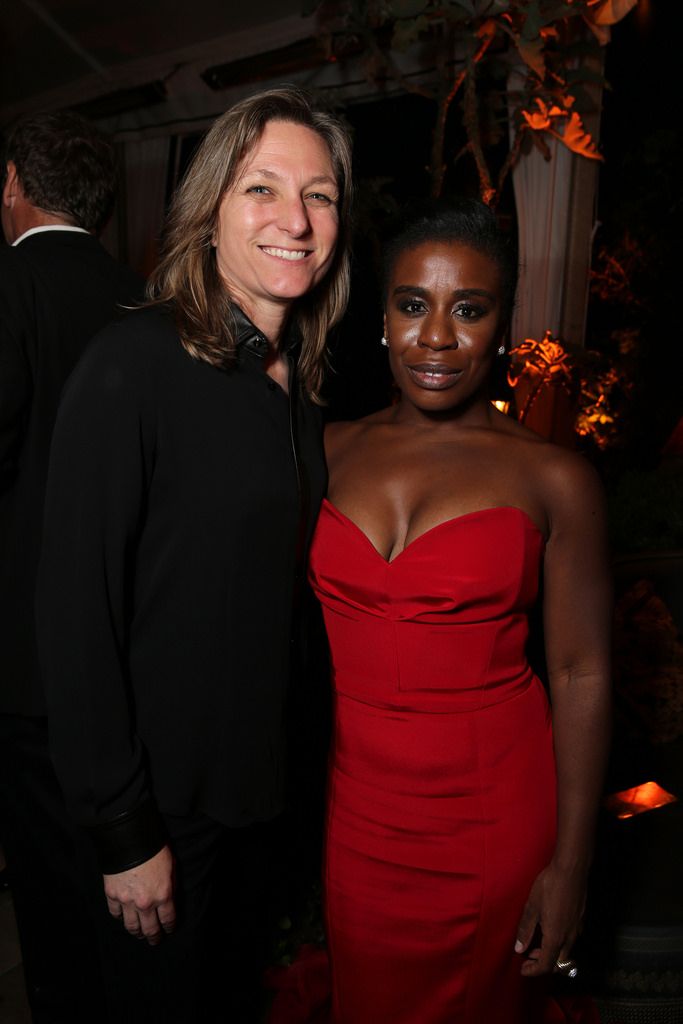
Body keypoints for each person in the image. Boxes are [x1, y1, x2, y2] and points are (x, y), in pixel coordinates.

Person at [36, 87, 352, 1023]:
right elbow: (73, 611)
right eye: (262, 188)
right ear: (209, 209)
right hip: (164, 813)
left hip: (265, 798)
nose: (294, 219)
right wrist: (124, 830)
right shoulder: (132, 363)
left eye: (322, 195)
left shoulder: (305, 391)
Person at [308, 199, 611, 1023]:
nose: (435, 338)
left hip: (492, 817)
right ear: (380, 319)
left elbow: (581, 671)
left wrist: (572, 864)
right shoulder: (323, 449)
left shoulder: (554, 478)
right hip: (356, 815)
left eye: (467, 310)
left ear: (500, 327)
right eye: (412, 305)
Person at [0, 110, 143, 1022]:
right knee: (120, 889)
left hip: (24, 657)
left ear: (12, 182)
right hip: (128, 647)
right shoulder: (144, 298)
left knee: (53, 899)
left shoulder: (12, 284)